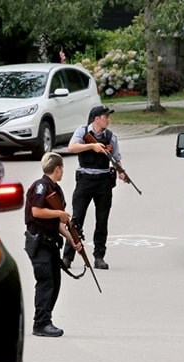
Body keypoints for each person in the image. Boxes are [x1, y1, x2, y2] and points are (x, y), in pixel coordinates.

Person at [61, 105, 126, 270]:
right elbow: (72, 147)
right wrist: (91, 146)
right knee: (76, 219)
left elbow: (116, 158)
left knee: (102, 220)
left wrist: (121, 172)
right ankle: (67, 257)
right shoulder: (82, 132)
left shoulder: (111, 137)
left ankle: (99, 257)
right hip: (85, 180)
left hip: (104, 180)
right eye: (105, 117)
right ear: (96, 119)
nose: (108, 120)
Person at [25, 152, 82, 337]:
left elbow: (56, 223)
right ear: (57, 169)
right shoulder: (41, 186)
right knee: (46, 281)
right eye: (62, 168)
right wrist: (59, 214)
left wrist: (71, 239)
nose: (63, 172)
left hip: (50, 242)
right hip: (39, 242)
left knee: (55, 282)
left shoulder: (55, 189)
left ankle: (45, 319)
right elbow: (37, 212)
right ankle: (40, 323)